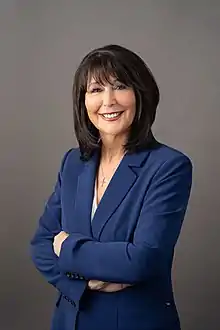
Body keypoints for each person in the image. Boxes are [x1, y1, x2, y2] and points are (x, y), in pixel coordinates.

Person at [30, 44, 193, 330]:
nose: (108, 101)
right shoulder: (73, 163)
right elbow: (41, 245)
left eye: (120, 86)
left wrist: (67, 246)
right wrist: (84, 282)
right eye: (95, 90)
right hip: (70, 320)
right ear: (83, 101)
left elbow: (142, 260)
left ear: (141, 95)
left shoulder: (168, 166)